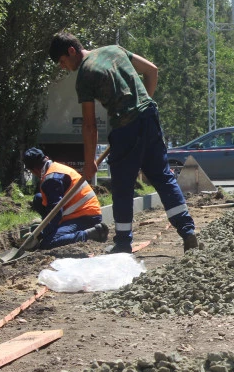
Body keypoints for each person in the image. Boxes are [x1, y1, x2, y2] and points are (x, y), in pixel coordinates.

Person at [48, 32, 201, 254]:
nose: (64, 67)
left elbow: (89, 125)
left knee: (122, 186)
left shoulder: (84, 74)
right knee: (162, 176)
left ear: (71, 51)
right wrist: (142, 107)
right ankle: (188, 232)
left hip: (124, 126)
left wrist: (89, 160)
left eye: (63, 62)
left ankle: (122, 244)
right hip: (149, 117)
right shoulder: (114, 50)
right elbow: (152, 70)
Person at [22, 148, 109, 250]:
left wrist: (41, 234)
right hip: (77, 211)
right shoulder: (54, 167)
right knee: (38, 199)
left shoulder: (52, 179)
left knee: (47, 242)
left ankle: (92, 233)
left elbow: (55, 212)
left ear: (34, 170)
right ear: (46, 158)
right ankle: (53, 228)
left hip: (86, 216)